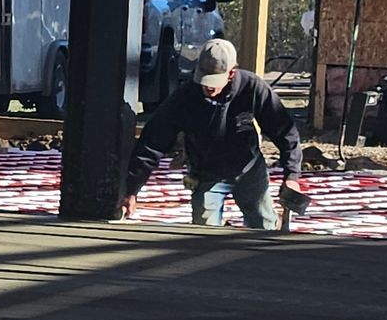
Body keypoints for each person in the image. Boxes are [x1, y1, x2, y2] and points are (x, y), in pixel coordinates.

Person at [122, 38, 306, 230]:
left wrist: (292, 176)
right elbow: (153, 142)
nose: (208, 87)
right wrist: (132, 190)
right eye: (204, 79)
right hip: (206, 174)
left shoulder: (252, 88)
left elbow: (285, 132)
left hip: (248, 170)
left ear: (231, 73)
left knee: (264, 228)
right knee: (204, 234)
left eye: (214, 81)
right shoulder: (185, 97)